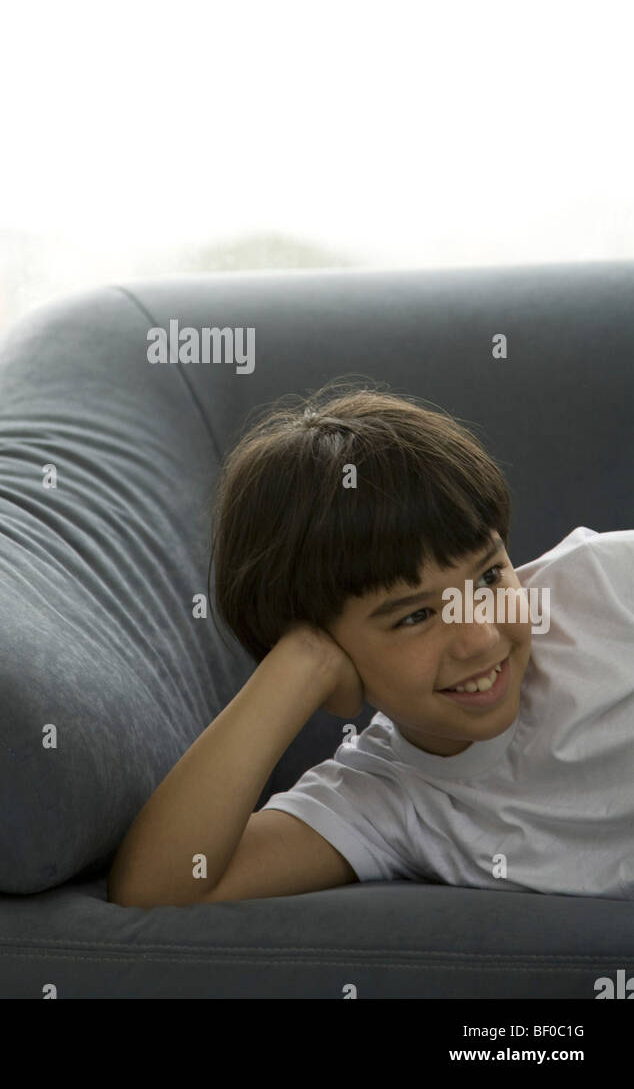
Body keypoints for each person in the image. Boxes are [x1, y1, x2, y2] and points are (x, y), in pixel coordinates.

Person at [107, 382, 634, 907]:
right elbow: (159, 885)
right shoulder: (386, 800)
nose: (479, 637)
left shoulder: (606, 584)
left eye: (489, 578)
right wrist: (300, 665)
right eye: (416, 616)